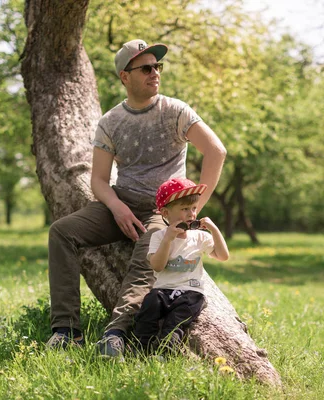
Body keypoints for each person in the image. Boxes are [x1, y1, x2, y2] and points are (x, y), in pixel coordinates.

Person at [45, 39, 227, 359]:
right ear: (125, 77)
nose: (154, 73)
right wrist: (116, 207)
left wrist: (191, 209)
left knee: (149, 249)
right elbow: (99, 180)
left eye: (157, 66)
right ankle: (66, 330)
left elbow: (216, 151)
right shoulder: (111, 122)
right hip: (121, 200)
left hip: (163, 209)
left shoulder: (176, 110)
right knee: (61, 232)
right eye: (145, 68)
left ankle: (115, 333)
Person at [132, 178, 229, 354]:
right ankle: (141, 348)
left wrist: (214, 230)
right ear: (166, 213)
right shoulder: (159, 237)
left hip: (191, 292)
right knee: (148, 308)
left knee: (177, 320)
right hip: (162, 290)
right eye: (184, 209)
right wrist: (168, 240)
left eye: (193, 208)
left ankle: (166, 349)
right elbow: (158, 266)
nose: (191, 214)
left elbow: (223, 256)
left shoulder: (200, 237)